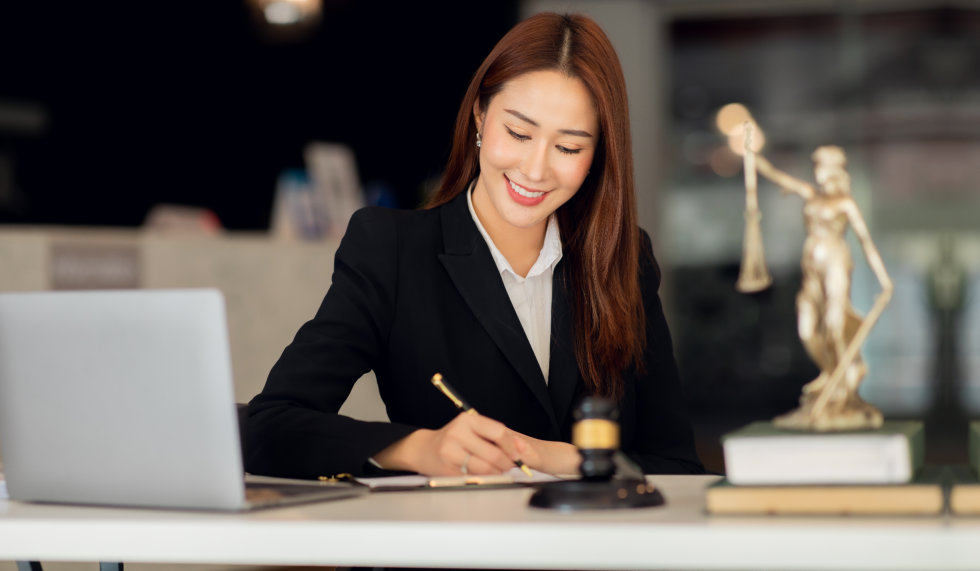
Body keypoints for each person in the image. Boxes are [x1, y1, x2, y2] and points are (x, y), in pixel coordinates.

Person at [246, 12, 704, 479]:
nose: (535, 169)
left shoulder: (623, 260)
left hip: (585, 550)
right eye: (519, 133)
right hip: (446, 549)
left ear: (598, 156)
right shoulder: (392, 250)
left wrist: (557, 458)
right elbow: (271, 427)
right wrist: (416, 449)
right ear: (481, 115)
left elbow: (678, 468)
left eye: (568, 148)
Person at [749, 145, 893, 431]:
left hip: (836, 263)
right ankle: (834, 375)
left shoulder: (845, 202)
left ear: (835, 170)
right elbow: (777, 176)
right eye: (816, 166)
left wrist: (884, 278)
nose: (818, 171)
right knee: (807, 329)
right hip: (811, 266)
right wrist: (751, 155)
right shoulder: (809, 193)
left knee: (836, 325)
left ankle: (843, 392)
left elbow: (864, 240)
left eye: (823, 166)